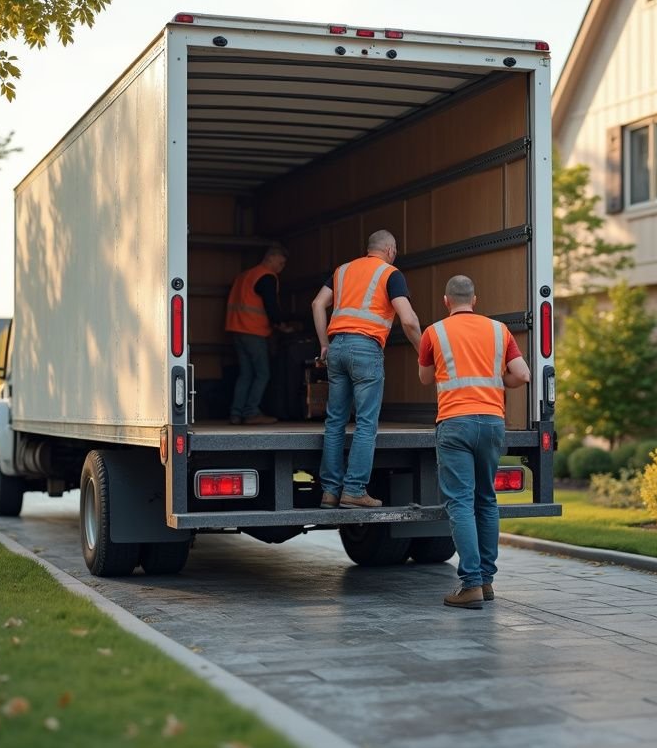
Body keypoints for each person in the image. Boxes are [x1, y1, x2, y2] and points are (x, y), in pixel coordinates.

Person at [418, 275, 530, 609]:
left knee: (461, 504)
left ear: (446, 301)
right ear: (475, 300)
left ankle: (470, 585)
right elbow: (522, 374)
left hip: (455, 423)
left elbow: (425, 378)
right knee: (486, 500)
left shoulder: (434, 332)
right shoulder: (499, 331)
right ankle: (486, 581)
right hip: (492, 422)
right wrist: (496, 380)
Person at [312, 230, 422, 508]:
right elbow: (408, 320)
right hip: (365, 350)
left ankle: (330, 492)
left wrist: (324, 344)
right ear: (390, 249)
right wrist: (424, 352)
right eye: (394, 250)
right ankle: (354, 490)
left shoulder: (342, 271)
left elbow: (317, 304)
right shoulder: (390, 274)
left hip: (336, 348)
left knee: (335, 422)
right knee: (365, 423)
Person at [225, 245, 289, 425]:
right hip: (253, 331)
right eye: (281, 262)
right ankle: (251, 412)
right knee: (262, 373)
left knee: (246, 374)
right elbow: (271, 305)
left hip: (237, 330)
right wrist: (280, 324)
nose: (282, 267)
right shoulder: (266, 276)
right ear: (272, 257)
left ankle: (236, 413)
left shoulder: (244, 276)